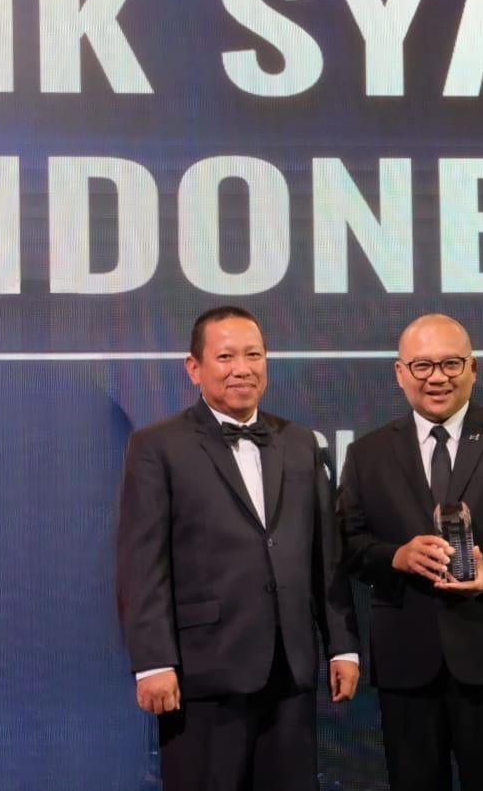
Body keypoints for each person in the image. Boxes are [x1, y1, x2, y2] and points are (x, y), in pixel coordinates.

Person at [116, 306, 360, 791]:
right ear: (194, 368)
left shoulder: (300, 443)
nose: (242, 369)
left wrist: (343, 646)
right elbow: (141, 564)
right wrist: (153, 662)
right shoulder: (157, 446)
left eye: (254, 355)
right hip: (202, 670)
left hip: (290, 667)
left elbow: (325, 555)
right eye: (226, 357)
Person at [338, 313, 483, 791]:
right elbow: (348, 544)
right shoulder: (367, 454)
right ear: (400, 373)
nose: (436, 377)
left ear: (473, 368)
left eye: (450, 363)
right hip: (406, 663)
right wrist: (395, 557)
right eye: (422, 366)